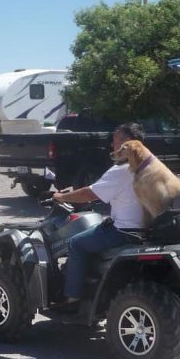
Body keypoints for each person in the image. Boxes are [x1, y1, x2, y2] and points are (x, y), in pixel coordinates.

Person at [52, 123, 146, 309]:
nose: (112, 146)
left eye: (115, 141)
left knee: (75, 243)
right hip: (145, 230)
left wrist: (62, 196)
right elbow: (102, 190)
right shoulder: (149, 166)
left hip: (124, 231)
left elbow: (90, 194)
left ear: (127, 143)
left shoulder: (120, 170)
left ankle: (72, 299)